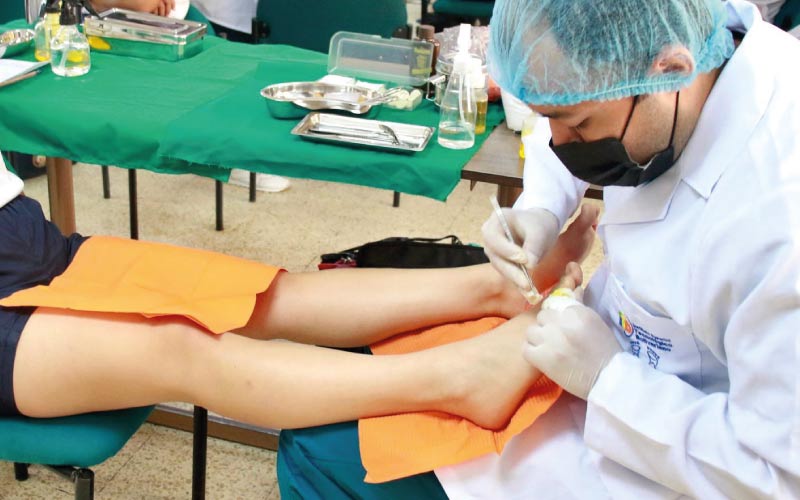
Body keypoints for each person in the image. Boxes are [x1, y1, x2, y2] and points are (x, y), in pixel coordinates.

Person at [278, 0, 800, 498]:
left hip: (677, 453)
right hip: (611, 357)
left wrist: (609, 382)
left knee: (318, 453)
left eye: (578, 126)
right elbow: (572, 100)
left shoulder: (775, 226)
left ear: (669, 71)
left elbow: (776, 475)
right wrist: (543, 207)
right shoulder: (693, 42)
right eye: (552, 116)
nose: (561, 141)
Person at [0, 153, 599, 435]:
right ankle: (461, 381)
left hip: (14, 229)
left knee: (251, 292)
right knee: (177, 344)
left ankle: (493, 287)